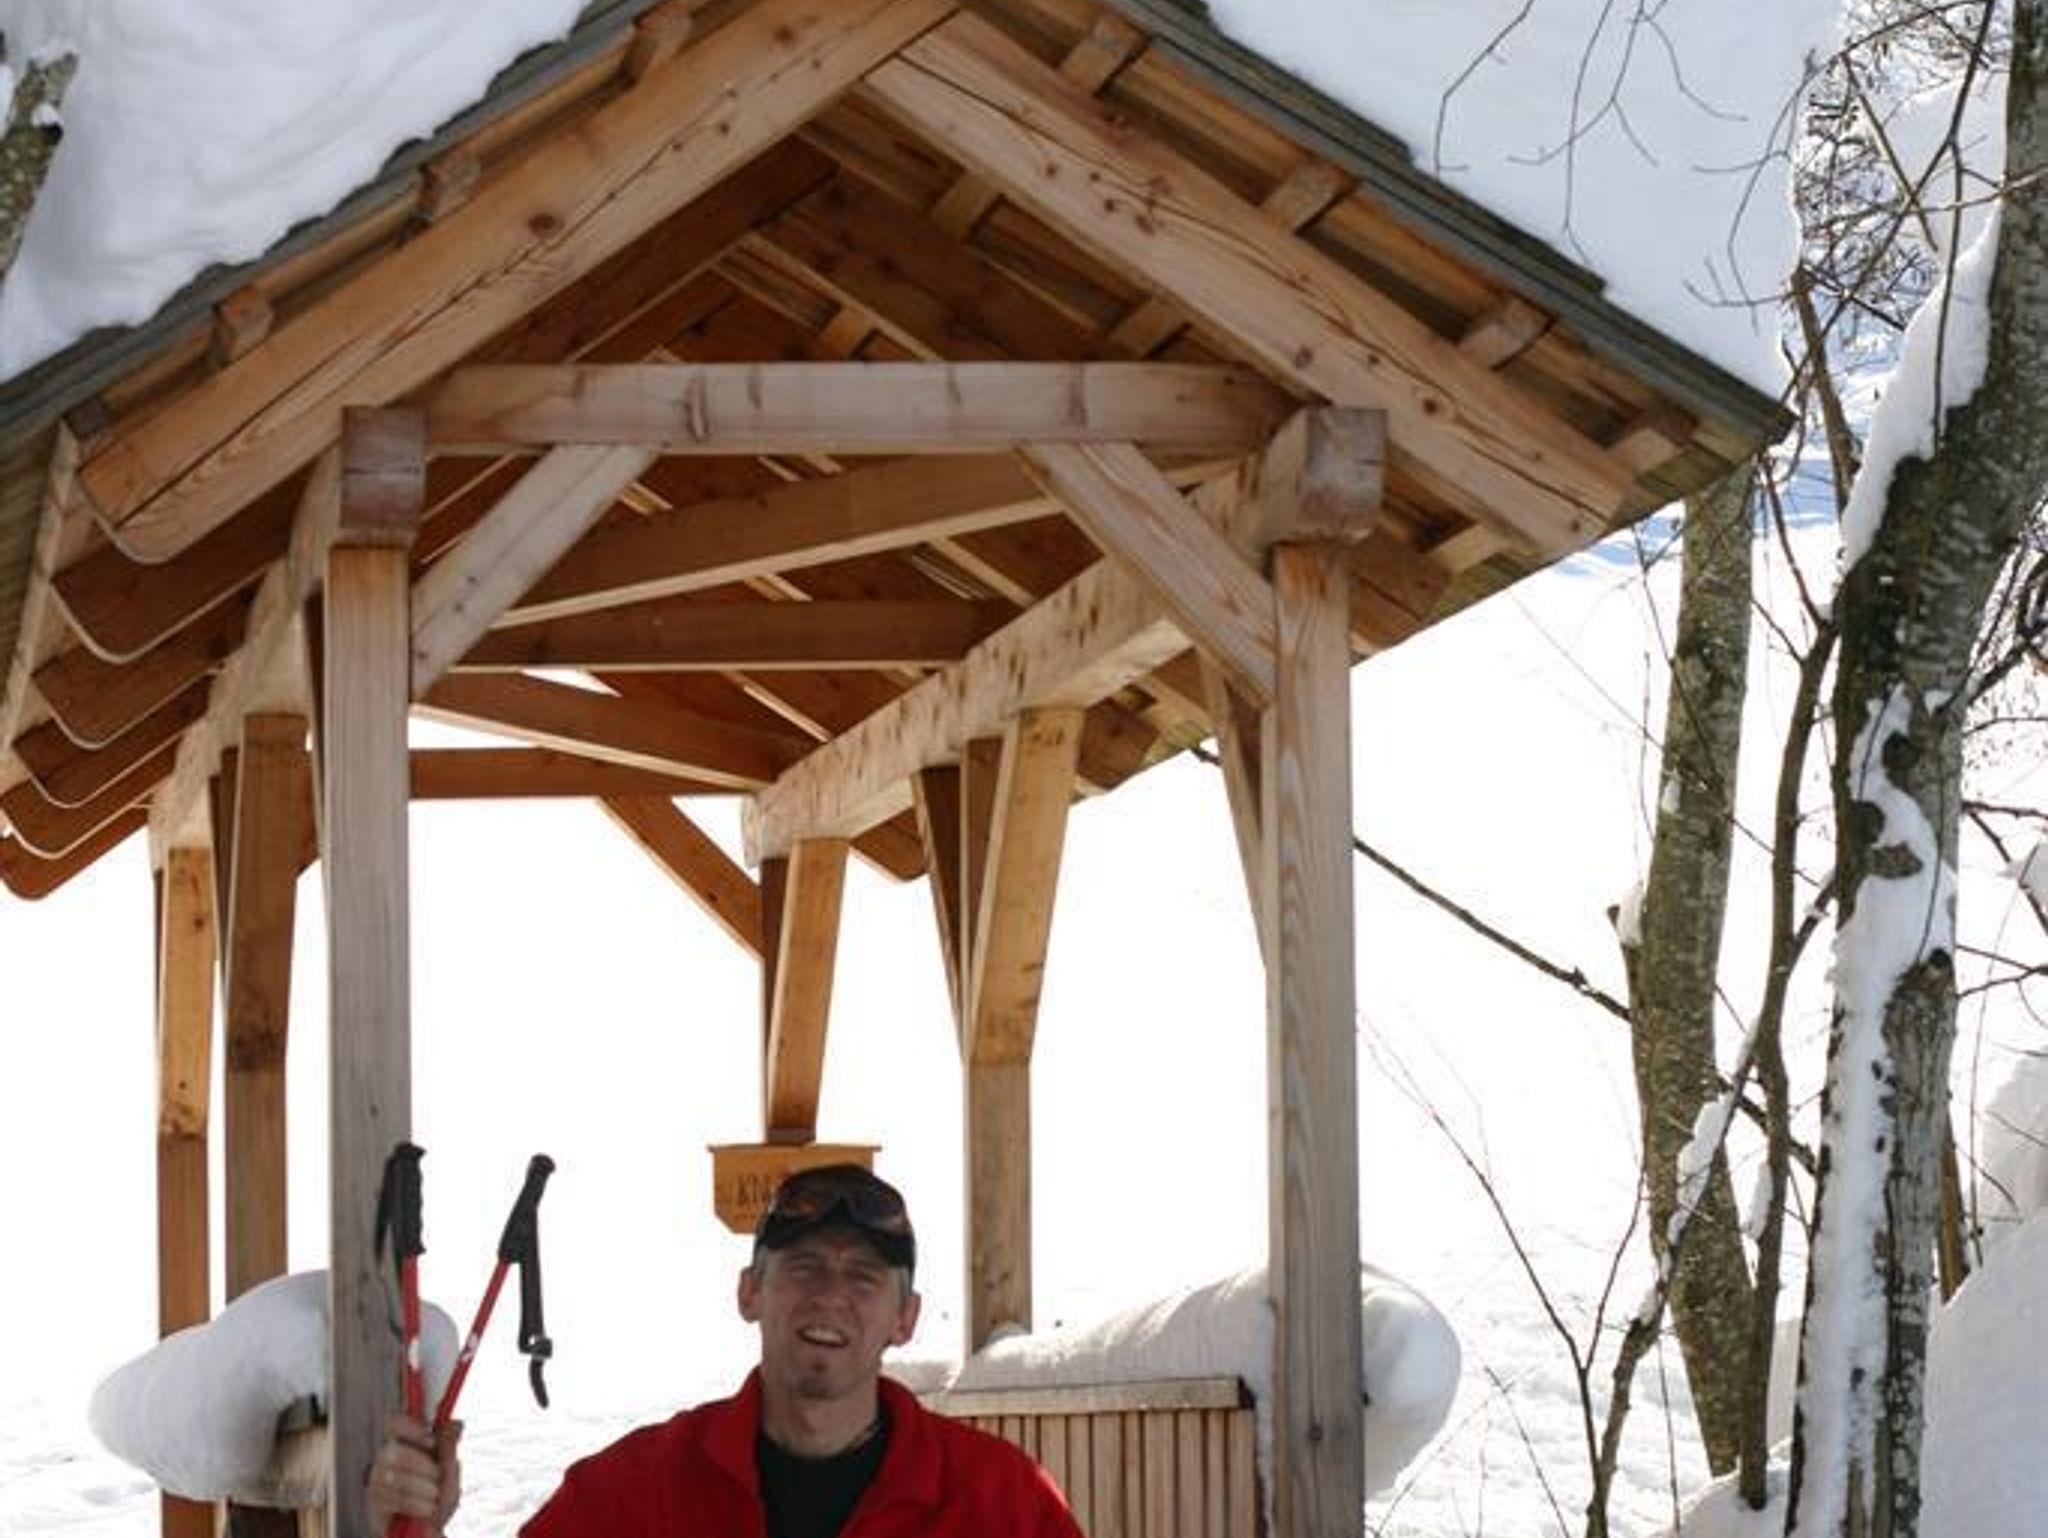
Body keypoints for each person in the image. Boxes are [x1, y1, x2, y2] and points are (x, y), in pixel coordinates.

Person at [366, 1163, 1083, 1538]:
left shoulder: (1005, 1505)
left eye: (864, 1276)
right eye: (804, 1266)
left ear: (907, 1317)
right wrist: (420, 1528)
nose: (830, 1295)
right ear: (749, 1293)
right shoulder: (630, 1495)